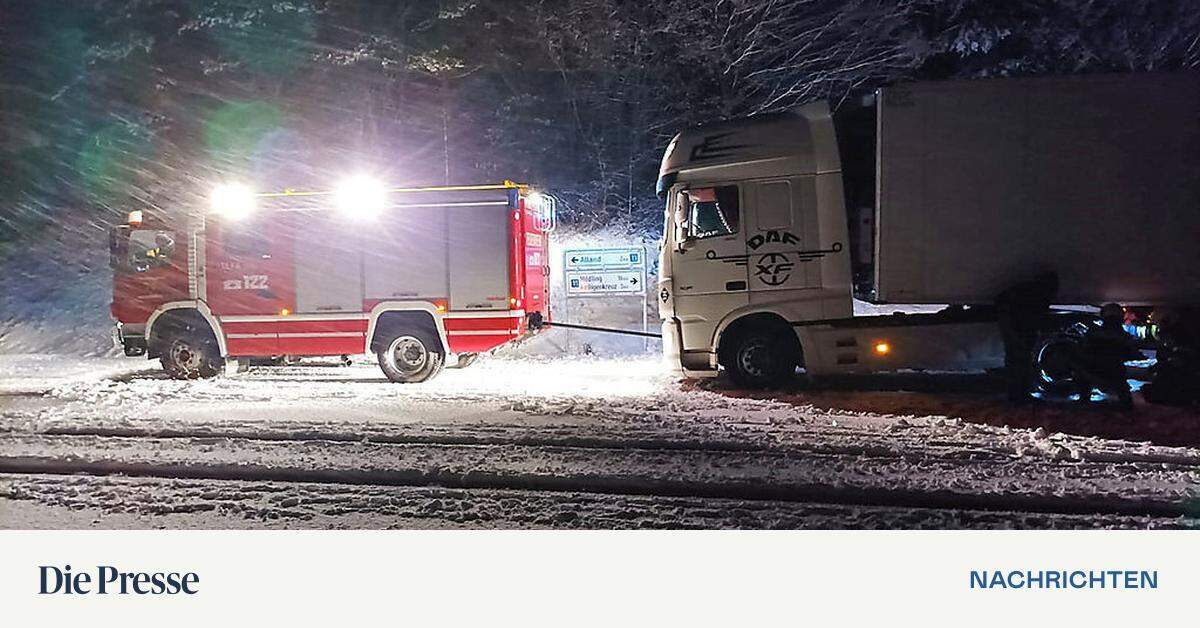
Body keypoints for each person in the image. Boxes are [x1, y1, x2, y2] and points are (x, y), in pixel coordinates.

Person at [995, 272, 1059, 403]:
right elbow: (1037, 316)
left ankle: (1018, 393)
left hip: (1017, 327)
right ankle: (1018, 394)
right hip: (1017, 327)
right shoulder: (1036, 294)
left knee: (1018, 360)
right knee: (1018, 360)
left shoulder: (1030, 292)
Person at [1070, 303, 1141, 409]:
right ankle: (1085, 398)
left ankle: (1084, 398)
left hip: (1104, 371)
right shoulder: (1122, 336)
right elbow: (1132, 353)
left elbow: (1083, 350)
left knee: (1079, 369)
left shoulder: (1096, 334)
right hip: (1108, 371)